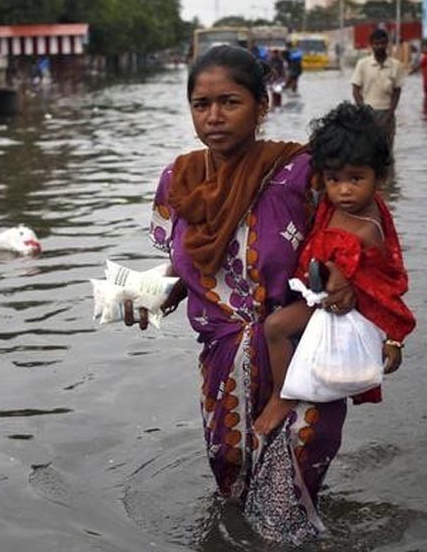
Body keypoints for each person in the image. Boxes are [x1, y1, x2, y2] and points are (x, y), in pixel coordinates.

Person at [124, 45, 358, 544]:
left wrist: (347, 282)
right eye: (200, 104)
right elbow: (190, 271)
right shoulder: (178, 182)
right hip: (221, 372)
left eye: (229, 102)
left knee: (282, 518)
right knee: (234, 499)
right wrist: (151, 295)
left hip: (298, 365)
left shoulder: (302, 174)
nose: (213, 117)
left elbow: (363, 242)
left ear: (261, 105)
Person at [254, 102, 416, 436]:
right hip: (316, 295)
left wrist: (395, 339)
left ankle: (282, 395)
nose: (344, 190)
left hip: (336, 308)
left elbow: (383, 287)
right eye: (334, 179)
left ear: (380, 177)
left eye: (356, 179)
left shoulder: (366, 230)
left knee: (275, 327)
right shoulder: (330, 202)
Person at [351, 28, 404, 149]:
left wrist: (390, 114)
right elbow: (355, 90)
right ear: (371, 45)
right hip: (367, 113)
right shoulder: (362, 64)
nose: (379, 46)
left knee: (387, 152)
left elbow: (397, 91)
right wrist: (364, 111)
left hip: (387, 113)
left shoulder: (396, 65)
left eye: (382, 43)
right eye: (376, 44)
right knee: (367, 150)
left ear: (387, 44)